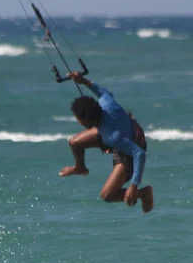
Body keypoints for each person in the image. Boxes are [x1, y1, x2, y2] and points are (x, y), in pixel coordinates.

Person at [59, 72, 154, 213]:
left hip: (132, 146)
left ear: (86, 121)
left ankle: (144, 193)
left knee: (107, 195)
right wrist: (83, 80)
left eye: (78, 120)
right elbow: (103, 92)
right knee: (74, 142)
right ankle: (80, 168)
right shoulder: (105, 103)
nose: (78, 122)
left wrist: (134, 186)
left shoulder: (112, 137)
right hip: (121, 128)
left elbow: (139, 154)